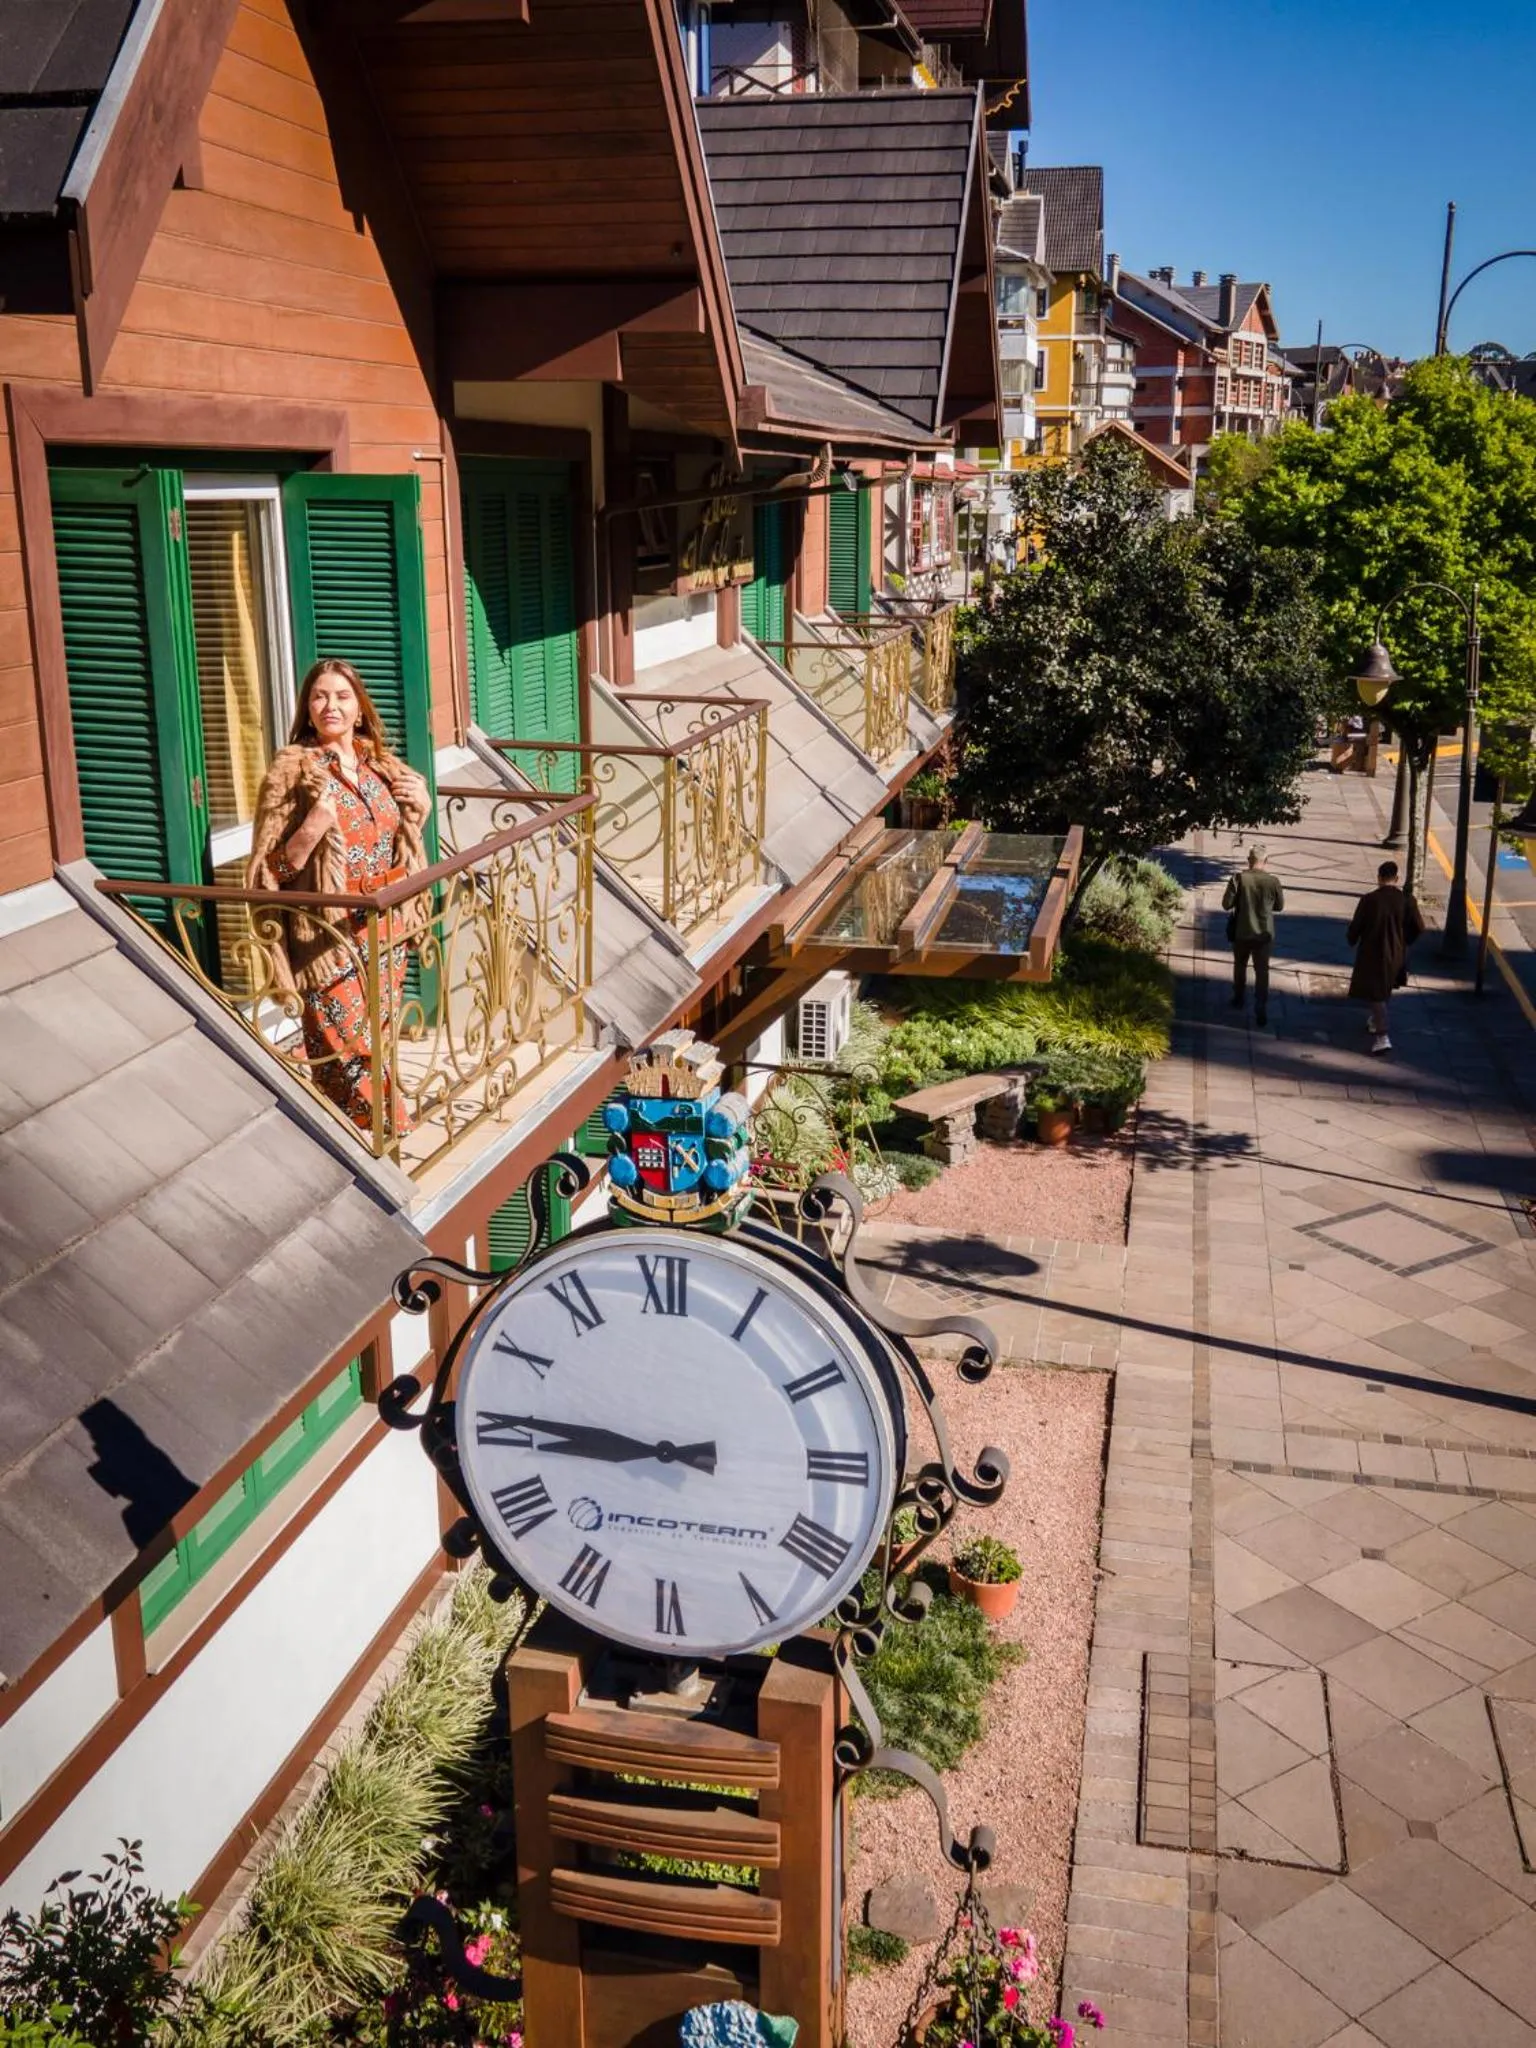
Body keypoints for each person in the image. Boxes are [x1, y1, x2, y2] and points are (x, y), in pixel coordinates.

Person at [248, 659, 431, 1136]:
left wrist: (422, 810)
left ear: (359, 709)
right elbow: (268, 874)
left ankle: (344, 1139)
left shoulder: (381, 768)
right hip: (328, 936)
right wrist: (310, 830)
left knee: (373, 1041)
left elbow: (399, 842)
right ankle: (393, 1132)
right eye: (320, 697)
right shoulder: (292, 773)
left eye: (342, 696)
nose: (331, 705)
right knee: (349, 1045)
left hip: (386, 927)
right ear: (308, 710)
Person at [1346, 859, 1424, 1056]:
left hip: (1372, 952)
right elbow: (1419, 927)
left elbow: (1356, 927)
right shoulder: (1407, 900)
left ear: (1379, 877)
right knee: (1384, 989)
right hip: (1397, 952)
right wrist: (1405, 941)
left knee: (1376, 994)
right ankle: (1374, 1021)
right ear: (1396, 878)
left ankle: (1382, 1036)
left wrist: (1352, 939)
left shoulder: (1370, 900)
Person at [1222, 845, 1285, 1028]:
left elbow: (1226, 904)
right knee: (1262, 970)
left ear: (1249, 860)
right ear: (1266, 861)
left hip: (1242, 932)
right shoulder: (1273, 881)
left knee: (1240, 965)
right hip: (1264, 934)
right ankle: (1260, 1004)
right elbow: (1279, 906)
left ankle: (1239, 997)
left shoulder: (1238, 878)